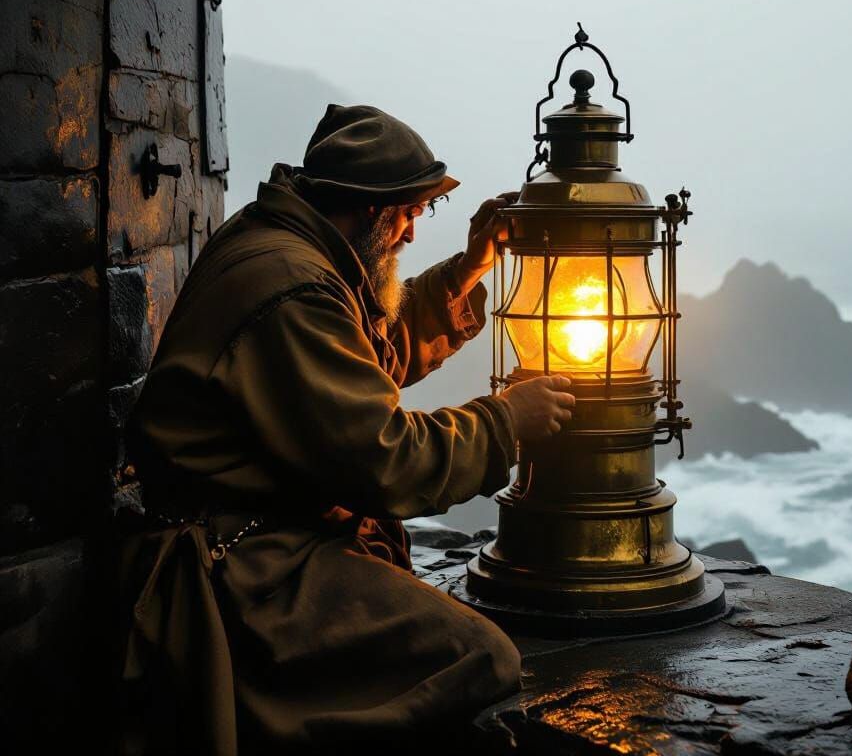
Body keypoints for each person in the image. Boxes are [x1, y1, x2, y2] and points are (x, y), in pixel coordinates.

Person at [115, 104, 576, 755]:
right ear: (371, 210)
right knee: (481, 658)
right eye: (411, 213)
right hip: (244, 567)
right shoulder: (293, 286)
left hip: (266, 537)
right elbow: (385, 460)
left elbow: (357, 357)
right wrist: (505, 422)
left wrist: (467, 270)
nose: (413, 234)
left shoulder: (293, 248)